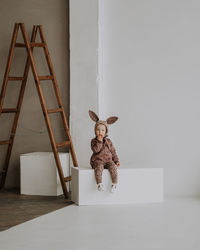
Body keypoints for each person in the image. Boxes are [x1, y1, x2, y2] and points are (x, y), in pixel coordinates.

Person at [89, 110, 120, 193]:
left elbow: (113, 151)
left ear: (106, 132)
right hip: (98, 160)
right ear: (95, 131)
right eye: (98, 130)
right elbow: (96, 150)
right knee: (98, 169)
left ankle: (114, 184)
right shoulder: (94, 141)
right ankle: (99, 184)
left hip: (108, 160)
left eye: (102, 130)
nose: (100, 132)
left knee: (113, 168)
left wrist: (116, 160)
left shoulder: (108, 141)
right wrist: (99, 141)